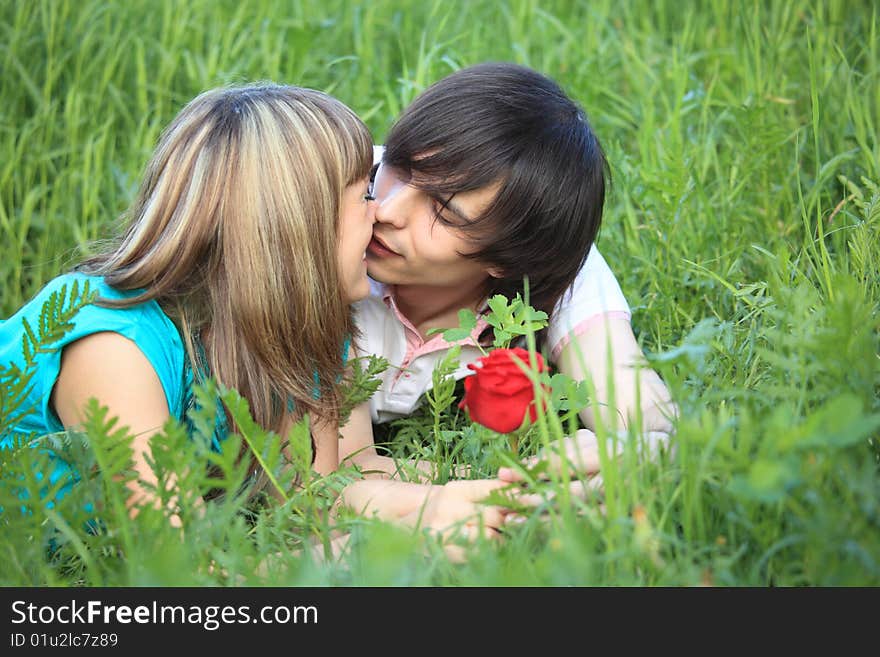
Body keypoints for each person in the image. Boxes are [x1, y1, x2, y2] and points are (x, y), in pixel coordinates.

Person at [0, 83, 511, 544]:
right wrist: (408, 543)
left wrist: (502, 495)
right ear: (294, 231)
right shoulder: (114, 352)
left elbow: (325, 494)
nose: (382, 214)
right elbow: (184, 577)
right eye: (365, 194)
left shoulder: (308, 323)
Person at [338, 62, 677, 485]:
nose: (386, 210)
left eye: (443, 211)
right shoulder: (332, 192)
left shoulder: (553, 263)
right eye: (400, 167)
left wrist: (629, 456)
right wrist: (506, 480)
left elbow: (645, 416)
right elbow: (334, 469)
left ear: (508, 256)